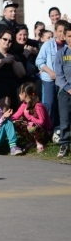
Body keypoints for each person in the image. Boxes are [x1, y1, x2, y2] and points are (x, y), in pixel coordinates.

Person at [36, 20, 68, 130]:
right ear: (55, 31)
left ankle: (59, 128)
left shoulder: (68, 46)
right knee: (49, 103)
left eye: (64, 31)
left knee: (62, 105)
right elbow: (39, 61)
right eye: (59, 31)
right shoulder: (48, 45)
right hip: (49, 79)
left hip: (64, 81)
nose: (62, 33)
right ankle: (47, 128)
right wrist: (50, 72)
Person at [12, 82, 51, 153]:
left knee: (31, 125)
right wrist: (7, 118)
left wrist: (28, 116)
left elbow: (42, 122)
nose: (19, 95)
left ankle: (40, 142)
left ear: (25, 94)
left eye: (20, 93)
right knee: (16, 124)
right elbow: (16, 116)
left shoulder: (38, 105)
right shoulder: (24, 104)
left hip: (45, 132)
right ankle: (32, 141)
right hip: (33, 128)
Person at [53, 25, 71, 158]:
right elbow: (59, 75)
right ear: (64, 37)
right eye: (69, 36)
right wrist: (68, 88)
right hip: (65, 91)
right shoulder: (61, 53)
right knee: (64, 120)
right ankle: (64, 143)